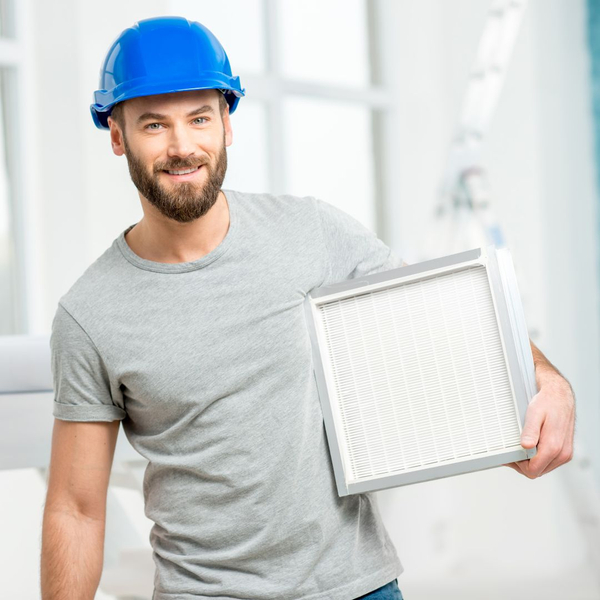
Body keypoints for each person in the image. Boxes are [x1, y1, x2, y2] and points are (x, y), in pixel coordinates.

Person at [40, 15, 575, 600]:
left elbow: (447, 315)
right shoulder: (90, 315)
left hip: (359, 587)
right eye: (153, 125)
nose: (182, 146)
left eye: (199, 118)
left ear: (227, 123)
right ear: (116, 135)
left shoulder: (309, 232)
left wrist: (544, 379)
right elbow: (76, 507)